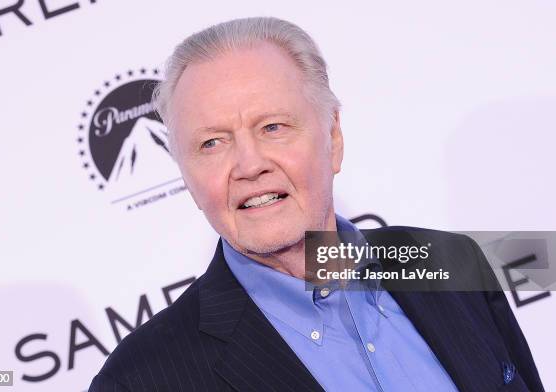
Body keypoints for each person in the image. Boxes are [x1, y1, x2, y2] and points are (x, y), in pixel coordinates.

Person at [88, 17, 543, 391]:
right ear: (186, 174)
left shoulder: (447, 262)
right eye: (211, 143)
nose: (249, 165)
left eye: (273, 127)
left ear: (333, 138)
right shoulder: (141, 380)